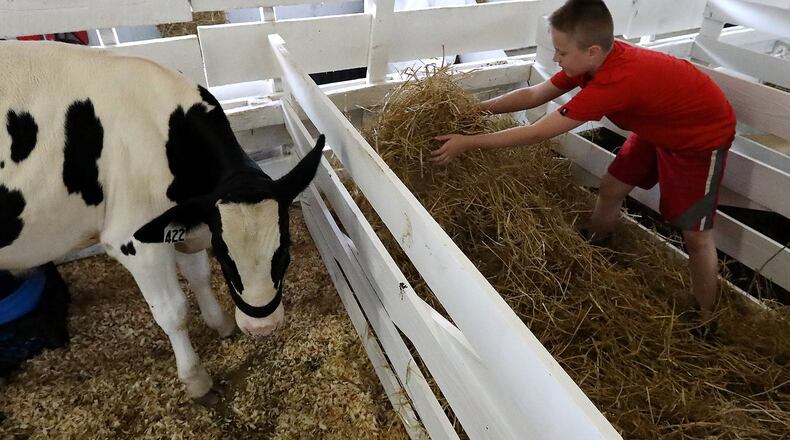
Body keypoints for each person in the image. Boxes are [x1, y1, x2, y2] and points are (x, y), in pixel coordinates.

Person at [432, 0, 736, 327]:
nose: (555, 58)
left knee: (695, 234)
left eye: (561, 52)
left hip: (697, 137)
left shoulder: (614, 82)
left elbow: (536, 134)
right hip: (658, 123)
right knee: (612, 185)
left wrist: (469, 143)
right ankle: (597, 239)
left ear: (591, 51)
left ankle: (707, 316)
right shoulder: (593, 64)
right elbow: (534, 95)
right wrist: (475, 112)